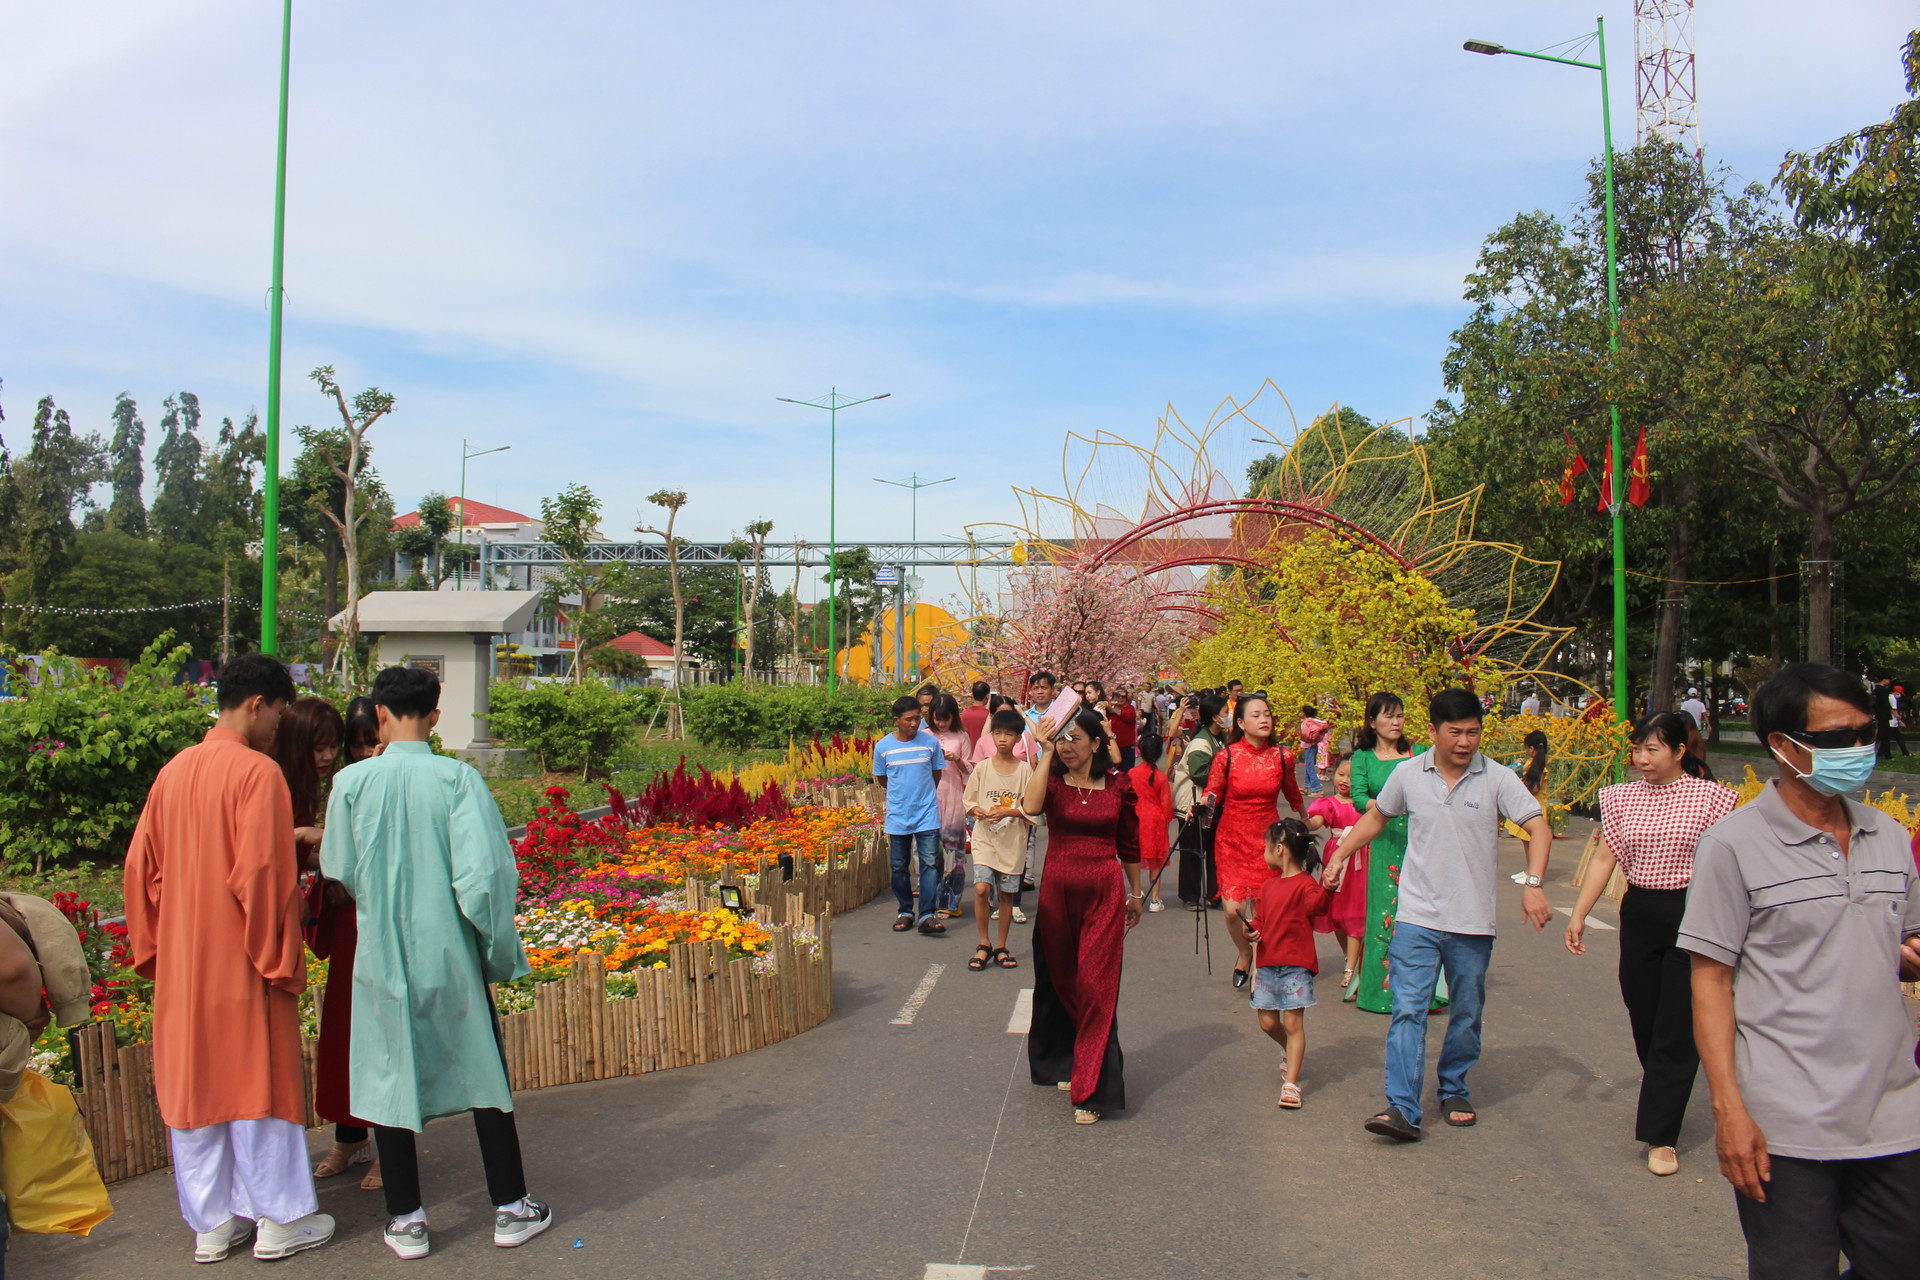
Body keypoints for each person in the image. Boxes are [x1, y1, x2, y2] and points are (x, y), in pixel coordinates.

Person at [1677, 663, 1920, 1276]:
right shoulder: (1733, 845)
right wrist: (1729, 1111)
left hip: (1894, 1117)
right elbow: (1711, 980)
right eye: (1838, 738)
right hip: (1786, 1125)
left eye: (1867, 732)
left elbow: (1902, 940)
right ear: (1783, 747)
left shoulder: (1889, 836)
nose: (1860, 750)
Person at [319, 665, 551, 1259]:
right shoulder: (458, 781)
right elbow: (487, 879)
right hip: (448, 949)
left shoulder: (349, 783)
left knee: (387, 1077)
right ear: (436, 716)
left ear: (377, 715)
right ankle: (509, 1206)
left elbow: (338, 870)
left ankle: (407, 1218)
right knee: (483, 1072)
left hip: (380, 952)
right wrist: (497, 953)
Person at [124, 654, 336, 1263]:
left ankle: (213, 1223)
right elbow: (263, 876)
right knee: (256, 1083)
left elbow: (141, 869)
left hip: (185, 961)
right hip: (245, 958)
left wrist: (161, 943)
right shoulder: (258, 774)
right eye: (279, 712)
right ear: (256, 705)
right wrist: (280, 954)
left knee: (197, 1088)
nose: (279, 726)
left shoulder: (174, 771)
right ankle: (279, 1218)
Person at [1325, 687, 1553, 1142]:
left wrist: (1533, 885)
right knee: (1408, 1009)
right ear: (1433, 731)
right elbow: (1377, 818)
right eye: (1455, 732)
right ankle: (1403, 1108)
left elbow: (1537, 825)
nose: (1465, 742)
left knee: (1466, 1011)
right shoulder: (1410, 774)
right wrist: (1339, 856)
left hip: (1472, 922)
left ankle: (1452, 1086)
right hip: (1416, 916)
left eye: (1473, 732)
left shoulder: (1496, 778)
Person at [1565, 712, 1736, 1178]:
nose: (1641, 759)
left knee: (1677, 1025)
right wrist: (1579, 913)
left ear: (1680, 751)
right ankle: (1666, 1083)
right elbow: (1606, 856)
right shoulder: (1620, 798)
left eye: (1652, 749)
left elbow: (1731, 863)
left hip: (1694, 914)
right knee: (1643, 1011)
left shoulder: (1712, 799)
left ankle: (1662, 1136)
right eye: (1637, 749)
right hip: (1640, 912)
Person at [270, 697, 384, 1192]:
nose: (347, 753)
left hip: (374, 918)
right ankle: (349, 1134)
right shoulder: (310, 786)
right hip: (342, 919)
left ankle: (389, 1141)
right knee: (342, 1028)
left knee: (379, 1030)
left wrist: (321, 841)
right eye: (339, 745)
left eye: (355, 742)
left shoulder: (378, 780)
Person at [1019, 706, 1143, 1125]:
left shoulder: (1118, 786)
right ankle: (1071, 1059)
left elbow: (1129, 842)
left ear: (1096, 743)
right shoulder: (1052, 782)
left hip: (1104, 894)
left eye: (1076, 739)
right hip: (1057, 894)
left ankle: (1093, 1088)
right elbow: (1030, 807)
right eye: (1063, 738)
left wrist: (1137, 893)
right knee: (1064, 981)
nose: (1069, 745)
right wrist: (1047, 751)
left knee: (1096, 985)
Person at [1200, 693, 1306, 989]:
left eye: (1267, 714)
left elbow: (1293, 794)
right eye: (1256, 715)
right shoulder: (1227, 756)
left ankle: (1261, 970)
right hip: (1231, 840)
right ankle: (1244, 953)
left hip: (1268, 842)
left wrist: (1306, 820)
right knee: (1233, 910)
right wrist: (1200, 817)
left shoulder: (1283, 757)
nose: (1264, 720)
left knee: (1263, 910)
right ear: (1242, 723)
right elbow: (1213, 791)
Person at [1238, 818, 1334, 1109]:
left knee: (1293, 1022)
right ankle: (1290, 1051)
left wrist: (1328, 887)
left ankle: (1290, 1084)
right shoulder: (1267, 887)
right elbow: (1261, 922)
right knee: (1267, 1023)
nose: (1264, 852)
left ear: (1279, 849)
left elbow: (1317, 906)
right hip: (1267, 964)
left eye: (1266, 847)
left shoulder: (1306, 884)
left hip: (1296, 964)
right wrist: (1249, 928)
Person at [1348, 692, 1418, 1016]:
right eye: (1388, 716)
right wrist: (1385, 808)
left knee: (1417, 913)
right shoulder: (1362, 756)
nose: (1395, 722)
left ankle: (1420, 991)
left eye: (1399, 715)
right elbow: (1358, 797)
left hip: (1417, 841)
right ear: (1372, 722)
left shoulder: (1417, 753)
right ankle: (1380, 991)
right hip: (1384, 839)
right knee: (1383, 912)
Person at [963, 708, 1035, 971]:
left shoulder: (1026, 771)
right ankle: (983, 943)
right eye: (998, 733)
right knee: (981, 888)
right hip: (985, 838)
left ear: (1019, 738)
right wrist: (975, 810)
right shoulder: (982, 768)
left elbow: (1033, 807)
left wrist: (1010, 811)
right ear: (991, 735)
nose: (1003, 738)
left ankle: (1001, 946)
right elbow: (969, 799)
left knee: (1006, 895)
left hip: (1012, 841)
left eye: (1009, 734)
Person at [874, 694, 947, 935]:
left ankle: (927, 914)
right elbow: (883, 779)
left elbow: (936, 775)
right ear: (896, 720)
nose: (914, 724)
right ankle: (905, 910)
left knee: (929, 864)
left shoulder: (930, 743)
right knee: (898, 866)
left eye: (918, 718)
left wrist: (923, 797)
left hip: (927, 815)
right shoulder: (883, 747)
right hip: (898, 816)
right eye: (908, 720)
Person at [1306, 756, 1366, 1000]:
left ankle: (1351, 968)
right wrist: (1304, 822)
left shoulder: (1366, 805)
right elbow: (1317, 821)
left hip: (1361, 859)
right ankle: (1348, 956)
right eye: (1341, 774)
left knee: (1355, 913)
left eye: (1352, 777)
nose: (1345, 781)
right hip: (1338, 859)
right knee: (1336, 913)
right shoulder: (1329, 803)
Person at [1174, 693, 1229, 908]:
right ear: (1215, 717)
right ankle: (1190, 896)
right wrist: (1227, 775)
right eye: (1226, 712)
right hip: (1194, 805)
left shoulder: (1217, 739)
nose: (1229, 716)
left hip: (1211, 805)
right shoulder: (1201, 743)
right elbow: (1200, 774)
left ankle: (1214, 894)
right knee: (1193, 852)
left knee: (1215, 852)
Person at [928, 692, 974, 915]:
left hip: (954, 795)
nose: (941, 723)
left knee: (953, 849)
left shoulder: (961, 736)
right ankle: (931, 901)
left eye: (945, 718)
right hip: (929, 796)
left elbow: (970, 771)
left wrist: (957, 759)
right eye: (937, 718)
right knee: (931, 850)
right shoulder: (925, 735)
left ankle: (951, 902)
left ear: (953, 716)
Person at [1128, 732, 1174, 912]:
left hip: (1137, 819)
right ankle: (1155, 899)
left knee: (1134, 860)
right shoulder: (1161, 777)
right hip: (1156, 821)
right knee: (1156, 862)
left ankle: (1136, 894)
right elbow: (1166, 805)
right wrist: (1166, 823)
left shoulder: (1132, 773)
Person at [1299, 705, 1331, 793]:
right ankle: (1306, 786)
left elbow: (1315, 730)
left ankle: (1317, 788)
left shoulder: (1307, 722)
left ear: (1304, 713)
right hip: (1310, 746)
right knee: (1307, 767)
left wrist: (1313, 740)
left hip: (1309, 746)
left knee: (1309, 767)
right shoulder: (1312, 721)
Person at [1111, 690, 1139, 772]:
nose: (1120, 698)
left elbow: (1128, 717)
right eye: (1117, 696)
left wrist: (1114, 711)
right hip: (1112, 747)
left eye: (1123, 697)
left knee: (1127, 771)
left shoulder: (1130, 708)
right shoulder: (1108, 708)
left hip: (1127, 747)